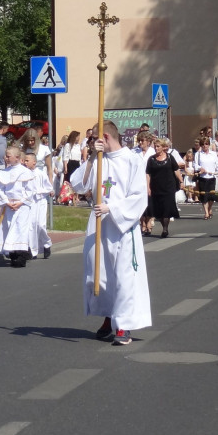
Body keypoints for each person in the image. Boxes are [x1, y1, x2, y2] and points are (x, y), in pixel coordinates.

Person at [70, 121, 151, 346]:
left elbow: (138, 197)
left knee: (123, 275)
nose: (91, 142)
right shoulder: (98, 160)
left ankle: (123, 324)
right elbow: (78, 185)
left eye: (94, 138)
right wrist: (91, 160)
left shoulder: (132, 160)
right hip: (98, 225)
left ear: (105, 137)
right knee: (100, 273)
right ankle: (109, 316)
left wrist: (112, 208)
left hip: (121, 227)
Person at [0, 146, 36, 267]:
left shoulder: (26, 172)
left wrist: (21, 202)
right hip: (8, 205)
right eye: (5, 156)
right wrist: (6, 201)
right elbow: (1, 189)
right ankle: (12, 254)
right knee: (8, 228)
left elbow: (30, 190)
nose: (6, 158)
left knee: (20, 229)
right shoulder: (3, 173)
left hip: (21, 206)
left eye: (8, 156)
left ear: (17, 157)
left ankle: (21, 255)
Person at [145, 137, 183, 238]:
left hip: (169, 187)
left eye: (158, 146)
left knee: (166, 208)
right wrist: (148, 186)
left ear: (163, 147)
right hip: (156, 187)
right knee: (159, 210)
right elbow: (148, 173)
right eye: (155, 146)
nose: (156, 148)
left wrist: (181, 181)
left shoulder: (170, 157)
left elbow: (176, 170)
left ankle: (165, 229)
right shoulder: (151, 159)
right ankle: (163, 225)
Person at [24, 153, 53, 259]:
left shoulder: (40, 174)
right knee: (31, 225)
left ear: (34, 162)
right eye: (24, 161)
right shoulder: (24, 174)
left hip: (40, 202)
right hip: (30, 203)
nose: (25, 163)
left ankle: (46, 244)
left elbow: (48, 188)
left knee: (40, 225)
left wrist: (38, 192)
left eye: (27, 161)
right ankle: (33, 250)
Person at [194, 136, 218, 220]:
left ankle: (209, 208)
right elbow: (195, 165)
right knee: (204, 196)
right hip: (203, 177)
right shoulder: (198, 154)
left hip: (212, 177)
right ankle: (206, 213)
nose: (205, 146)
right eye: (203, 144)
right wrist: (200, 168)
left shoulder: (213, 154)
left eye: (206, 144)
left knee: (211, 196)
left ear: (209, 145)